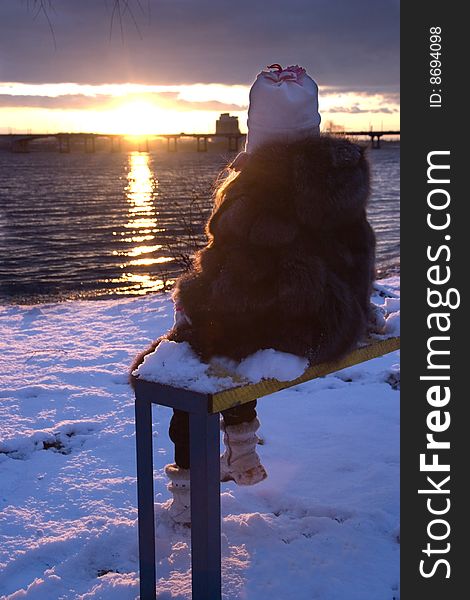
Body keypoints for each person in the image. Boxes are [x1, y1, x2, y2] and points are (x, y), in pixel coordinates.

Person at [131, 64, 376, 525]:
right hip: (337, 321)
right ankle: (240, 446)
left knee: (186, 358)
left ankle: (188, 495)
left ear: (256, 130)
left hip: (292, 328)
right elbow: (353, 255)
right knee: (223, 336)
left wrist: (192, 300)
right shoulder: (340, 178)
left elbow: (244, 292)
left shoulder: (259, 193)